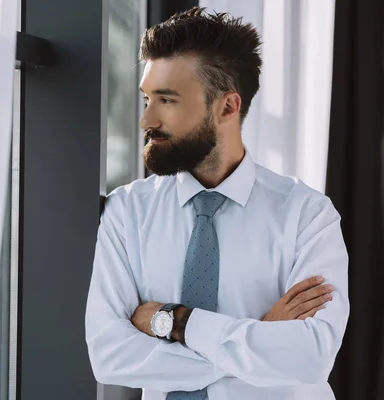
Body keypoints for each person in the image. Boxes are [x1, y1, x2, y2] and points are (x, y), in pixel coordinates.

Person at [85, 7, 349, 400]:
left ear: (227, 106)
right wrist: (258, 343)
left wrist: (176, 322)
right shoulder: (126, 214)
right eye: (146, 99)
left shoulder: (308, 216)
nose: (146, 120)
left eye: (167, 100)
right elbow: (109, 356)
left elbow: (310, 357)